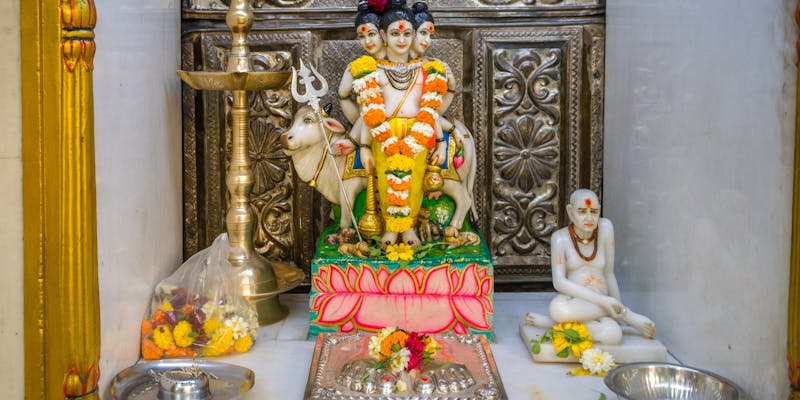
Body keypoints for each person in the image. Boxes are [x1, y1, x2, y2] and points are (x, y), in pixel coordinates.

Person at [352, 0, 448, 247]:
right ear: (383, 35)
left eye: (407, 33)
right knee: (386, 182)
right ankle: (390, 230)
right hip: (384, 133)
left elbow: (431, 109)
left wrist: (440, 142)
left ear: (414, 34)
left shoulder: (426, 69)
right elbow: (368, 111)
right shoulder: (375, 70)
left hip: (417, 132)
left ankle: (409, 229)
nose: (402, 40)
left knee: (414, 181)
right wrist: (363, 146)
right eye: (395, 33)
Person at [526, 189, 656, 344]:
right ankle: (558, 321)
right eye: (582, 212)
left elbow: (608, 273)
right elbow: (559, 282)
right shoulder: (560, 238)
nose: (589, 218)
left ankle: (554, 324)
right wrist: (623, 313)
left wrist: (615, 303)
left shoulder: (606, 228)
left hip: (600, 298)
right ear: (570, 212)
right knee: (557, 308)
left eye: (594, 212)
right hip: (576, 300)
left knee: (613, 335)